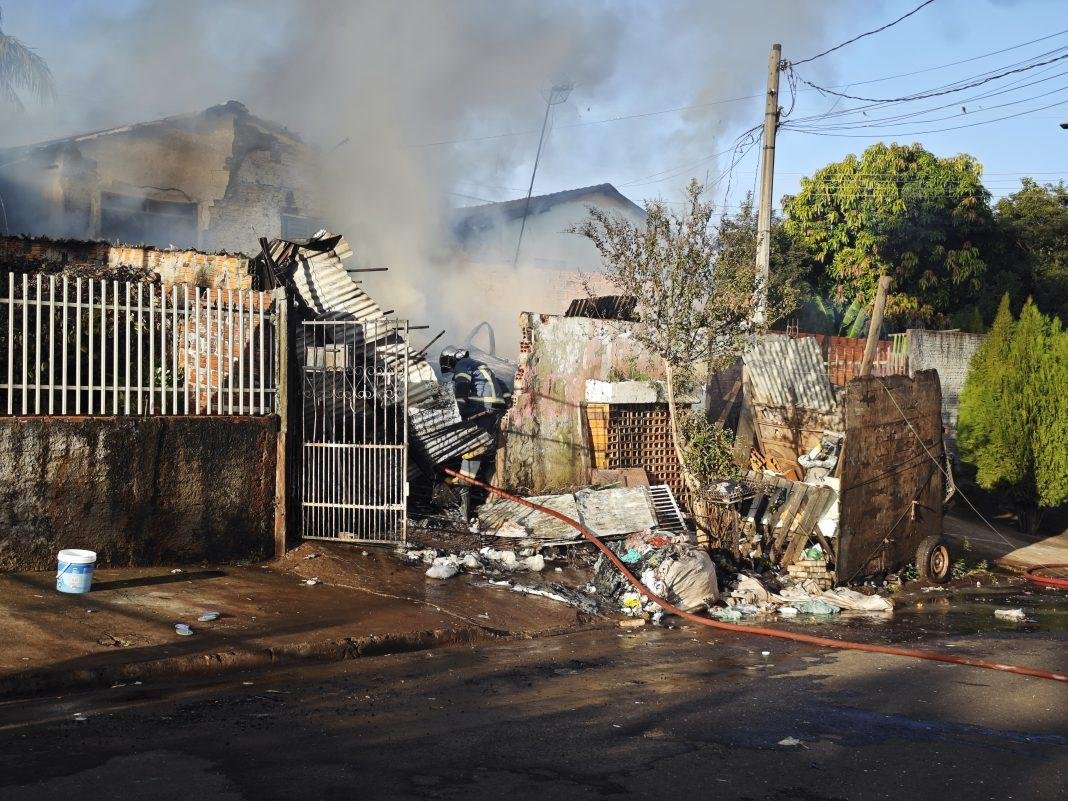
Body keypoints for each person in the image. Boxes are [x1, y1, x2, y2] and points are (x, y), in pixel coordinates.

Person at [439, 346, 512, 519]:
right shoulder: (479, 364)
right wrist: (506, 401)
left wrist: (460, 408)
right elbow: (500, 383)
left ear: (451, 359)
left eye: (449, 365)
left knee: (467, 441)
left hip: (480, 407)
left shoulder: (462, 364)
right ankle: (465, 479)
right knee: (476, 445)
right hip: (494, 408)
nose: (450, 369)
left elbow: (462, 384)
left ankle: (462, 481)